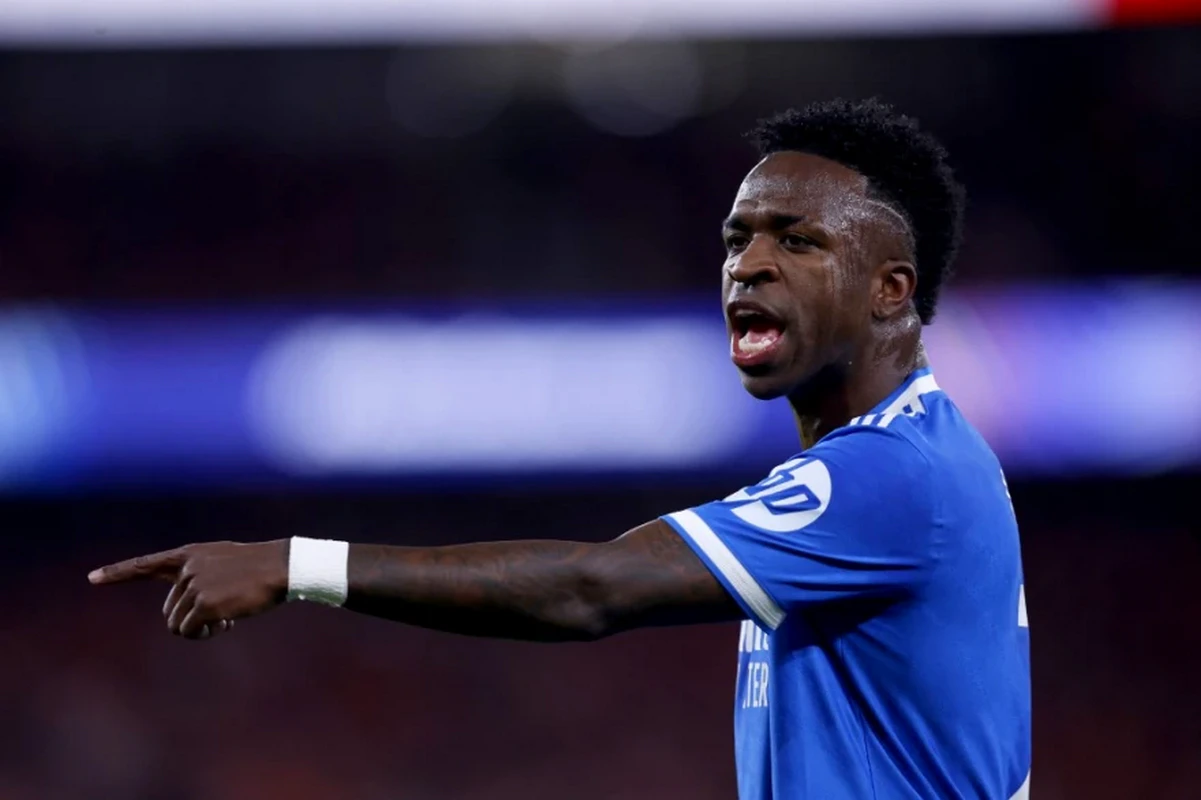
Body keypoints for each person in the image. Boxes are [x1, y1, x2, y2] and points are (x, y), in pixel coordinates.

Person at [90, 98, 1031, 800]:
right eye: (737, 239)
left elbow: (591, 588)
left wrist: (295, 564)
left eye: (797, 241)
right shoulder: (894, 459)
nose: (748, 264)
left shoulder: (894, 473)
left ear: (889, 290)